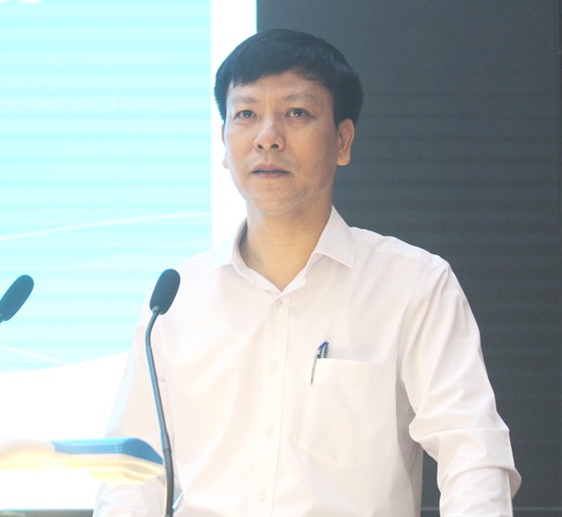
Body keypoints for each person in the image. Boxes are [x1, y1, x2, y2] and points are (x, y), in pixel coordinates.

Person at [93, 29, 520, 516]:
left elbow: (472, 452)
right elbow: (132, 473)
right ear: (224, 143)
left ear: (342, 140)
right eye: (246, 114)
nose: (267, 137)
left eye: (296, 113)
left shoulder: (413, 284)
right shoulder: (177, 297)